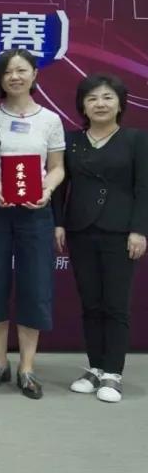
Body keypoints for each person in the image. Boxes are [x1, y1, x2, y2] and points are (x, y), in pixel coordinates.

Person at [0, 49, 65, 400]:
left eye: (22, 70)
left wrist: (47, 189)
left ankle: (27, 367)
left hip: (36, 210)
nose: (15, 77)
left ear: (35, 74)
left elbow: (57, 167)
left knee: (36, 284)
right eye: (8, 72)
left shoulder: (50, 120)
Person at [55, 74, 148, 403]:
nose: (100, 104)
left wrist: (140, 229)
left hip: (121, 232)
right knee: (91, 303)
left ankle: (113, 373)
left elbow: (144, 188)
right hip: (80, 229)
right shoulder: (72, 141)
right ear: (82, 105)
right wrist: (58, 224)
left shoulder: (136, 140)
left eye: (108, 97)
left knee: (115, 304)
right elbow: (60, 186)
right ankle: (95, 368)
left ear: (120, 104)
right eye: (92, 98)